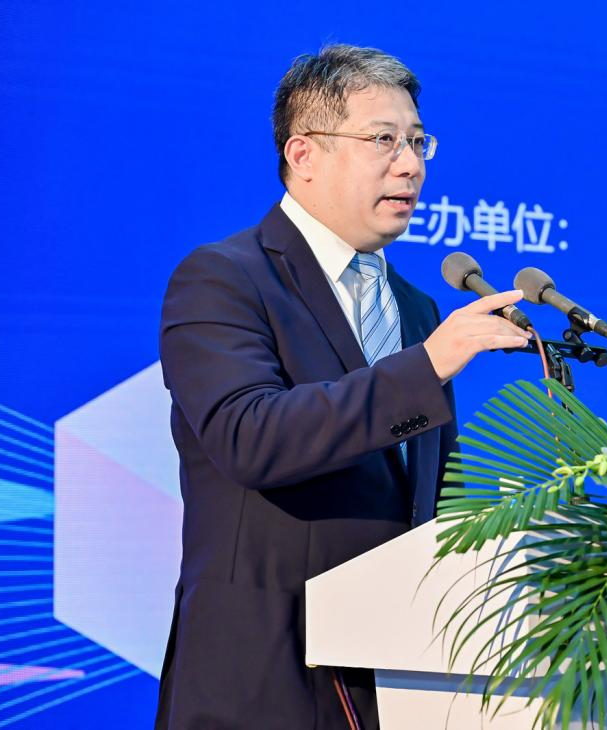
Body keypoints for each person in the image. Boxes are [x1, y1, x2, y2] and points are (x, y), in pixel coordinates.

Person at [154, 44, 531, 730]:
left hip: (399, 682)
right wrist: (426, 366)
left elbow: (423, 501)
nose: (411, 165)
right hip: (265, 679)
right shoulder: (224, 278)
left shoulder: (416, 309)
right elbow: (249, 437)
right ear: (304, 154)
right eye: (383, 140)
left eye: (418, 141)